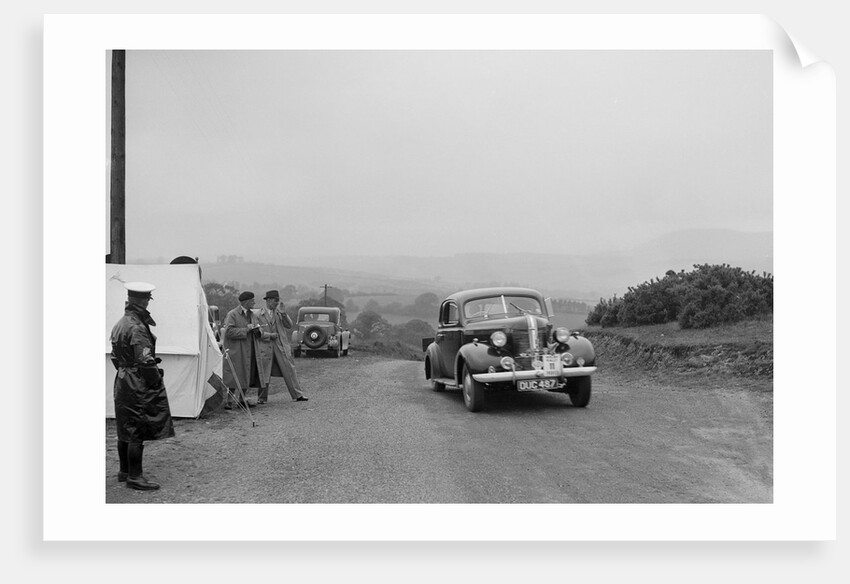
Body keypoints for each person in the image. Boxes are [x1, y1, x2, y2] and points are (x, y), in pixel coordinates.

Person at [110, 281, 175, 491]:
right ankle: (135, 477)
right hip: (136, 381)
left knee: (125, 426)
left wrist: (125, 371)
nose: (148, 302)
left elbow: (114, 356)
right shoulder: (137, 326)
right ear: (143, 301)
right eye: (147, 299)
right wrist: (155, 379)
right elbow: (146, 360)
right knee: (137, 427)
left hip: (122, 378)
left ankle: (124, 471)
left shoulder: (120, 323)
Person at [255, 290, 309, 403]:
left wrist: (284, 314)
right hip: (265, 347)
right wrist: (270, 336)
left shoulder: (280, 313)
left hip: (281, 346)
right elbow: (257, 333)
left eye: (278, 301)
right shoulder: (258, 315)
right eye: (275, 301)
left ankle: (298, 394)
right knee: (264, 372)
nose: (277, 303)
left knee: (290, 370)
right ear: (268, 301)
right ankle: (262, 398)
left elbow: (289, 325)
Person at [221, 291, 266, 409]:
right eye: (252, 301)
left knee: (247, 374)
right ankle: (229, 401)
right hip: (236, 351)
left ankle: (242, 400)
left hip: (250, 350)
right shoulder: (233, 314)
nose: (254, 302)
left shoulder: (253, 315)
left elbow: (258, 331)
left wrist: (258, 330)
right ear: (246, 302)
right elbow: (229, 332)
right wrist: (246, 329)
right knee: (233, 375)